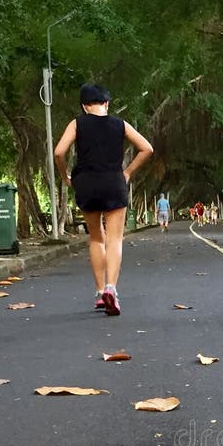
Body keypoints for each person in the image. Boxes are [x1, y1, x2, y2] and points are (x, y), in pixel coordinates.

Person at [54, 83, 153, 315]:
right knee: (114, 239)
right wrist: (128, 173)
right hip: (113, 183)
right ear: (106, 103)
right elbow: (147, 148)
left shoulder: (77, 123)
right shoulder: (120, 124)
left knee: (97, 238)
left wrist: (65, 176)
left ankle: (99, 293)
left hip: (86, 184)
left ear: (84, 106)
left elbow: (59, 152)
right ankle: (111, 289)